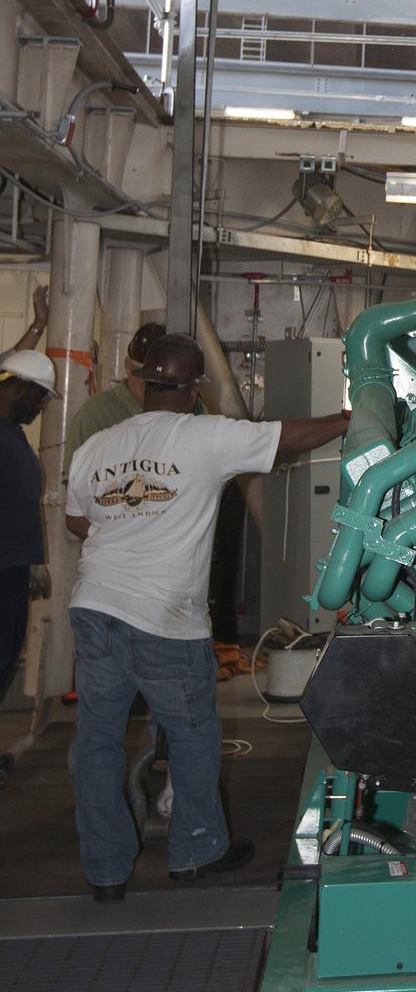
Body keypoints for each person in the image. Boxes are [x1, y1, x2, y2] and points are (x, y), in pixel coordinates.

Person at [64, 332, 348, 901]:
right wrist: (349, 418)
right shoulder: (205, 435)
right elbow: (289, 436)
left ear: (144, 383)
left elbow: (77, 521)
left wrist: (133, 528)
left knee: (95, 745)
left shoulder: (98, 444)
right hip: (164, 618)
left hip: (94, 607)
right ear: (194, 390)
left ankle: (106, 872)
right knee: (192, 737)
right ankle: (195, 852)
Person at [0, 349, 58, 707]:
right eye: (40, 396)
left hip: (13, 567)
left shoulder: (12, 434)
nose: (41, 406)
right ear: (19, 387)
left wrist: (31, 562)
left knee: (6, 656)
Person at [63, 320, 167, 472]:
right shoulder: (95, 415)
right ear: (128, 366)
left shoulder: (188, 408)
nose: (150, 383)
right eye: (142, 373)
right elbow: (75, 479)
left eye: (158, 377)